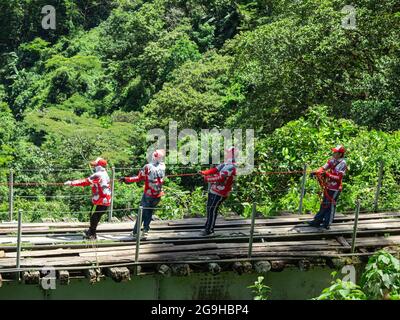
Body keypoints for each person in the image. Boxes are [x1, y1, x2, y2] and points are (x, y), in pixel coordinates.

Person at [119, 149, 166, 237]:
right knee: (149, 212)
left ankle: (135, 232)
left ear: (154, 157)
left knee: (142, 212)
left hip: (149, 194)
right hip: (158, 194)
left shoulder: (147, 166)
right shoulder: (163, 166)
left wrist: (126, 179)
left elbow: (139, 178)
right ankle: (145, 230)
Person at [64, 157, 111, 240]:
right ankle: (91, 231)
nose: (94, 167)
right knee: (96, 215)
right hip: (106, 199)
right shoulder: (105, 174)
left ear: (99, 166)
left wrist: (71, 183)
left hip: (99, 200)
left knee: (93, 215)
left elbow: (85, 181)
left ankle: (92, 234)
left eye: (95, 165)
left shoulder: (98, 174)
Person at [199, 146, 239, 236]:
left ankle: (209, 231)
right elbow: (215, 169)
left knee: (212, 210)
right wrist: (204, 172)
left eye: (227, 153)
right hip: (214, 190)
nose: (225, 154)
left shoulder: (231, 166)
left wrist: (207, 178)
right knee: (210, 209)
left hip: (220, 192)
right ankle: (208, 227)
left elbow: (221, 177)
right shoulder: (225, 164)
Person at [308, 145, 347, 230]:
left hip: (336, 188)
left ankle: (327, 224)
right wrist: (317, 172)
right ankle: (317, 221)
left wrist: (327, 174)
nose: (333, 153)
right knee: (324, 204)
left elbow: (338, 178)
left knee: (330, 205)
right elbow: (324, 167)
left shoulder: (343, 163)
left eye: (335, 152)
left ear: (340, 154)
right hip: (328, 186)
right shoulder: (332, 160)